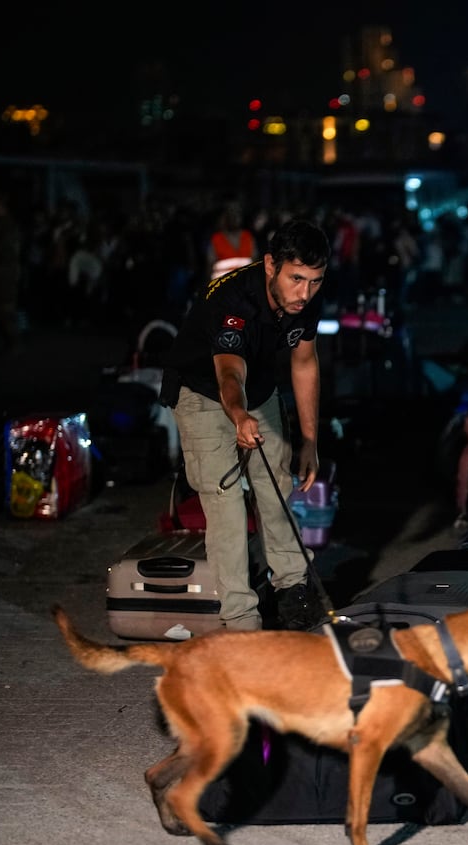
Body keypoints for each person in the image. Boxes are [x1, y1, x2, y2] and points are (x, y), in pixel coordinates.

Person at [162, 219, 329, 632]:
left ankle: (292, 592)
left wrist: (309, 440)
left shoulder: (306, 300)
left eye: (315, 281)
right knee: (226, 504)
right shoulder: (234, 300)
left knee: (278, 487)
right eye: (295, 279)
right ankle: (240, 619)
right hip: (202, 390)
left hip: (258, 388)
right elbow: (228, 373)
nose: (304, 293)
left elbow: (304, 363)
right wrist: (238, 416)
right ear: (271, 265)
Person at [0, 191, 23, 353]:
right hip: (1, 271)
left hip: (6, 271)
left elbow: (8, 250)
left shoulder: (8, 226)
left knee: (6, 308)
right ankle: (10, 342)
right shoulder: (0, 225)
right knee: (2, 308)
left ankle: (13, 342)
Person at [206, 202, 258, 281]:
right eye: (231, 216)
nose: (235, 219)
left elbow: (255, 260)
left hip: (246, 283)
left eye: (237, 216)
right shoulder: (217, 238)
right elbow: (209, 265)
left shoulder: (247, 236)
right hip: (222, 284)